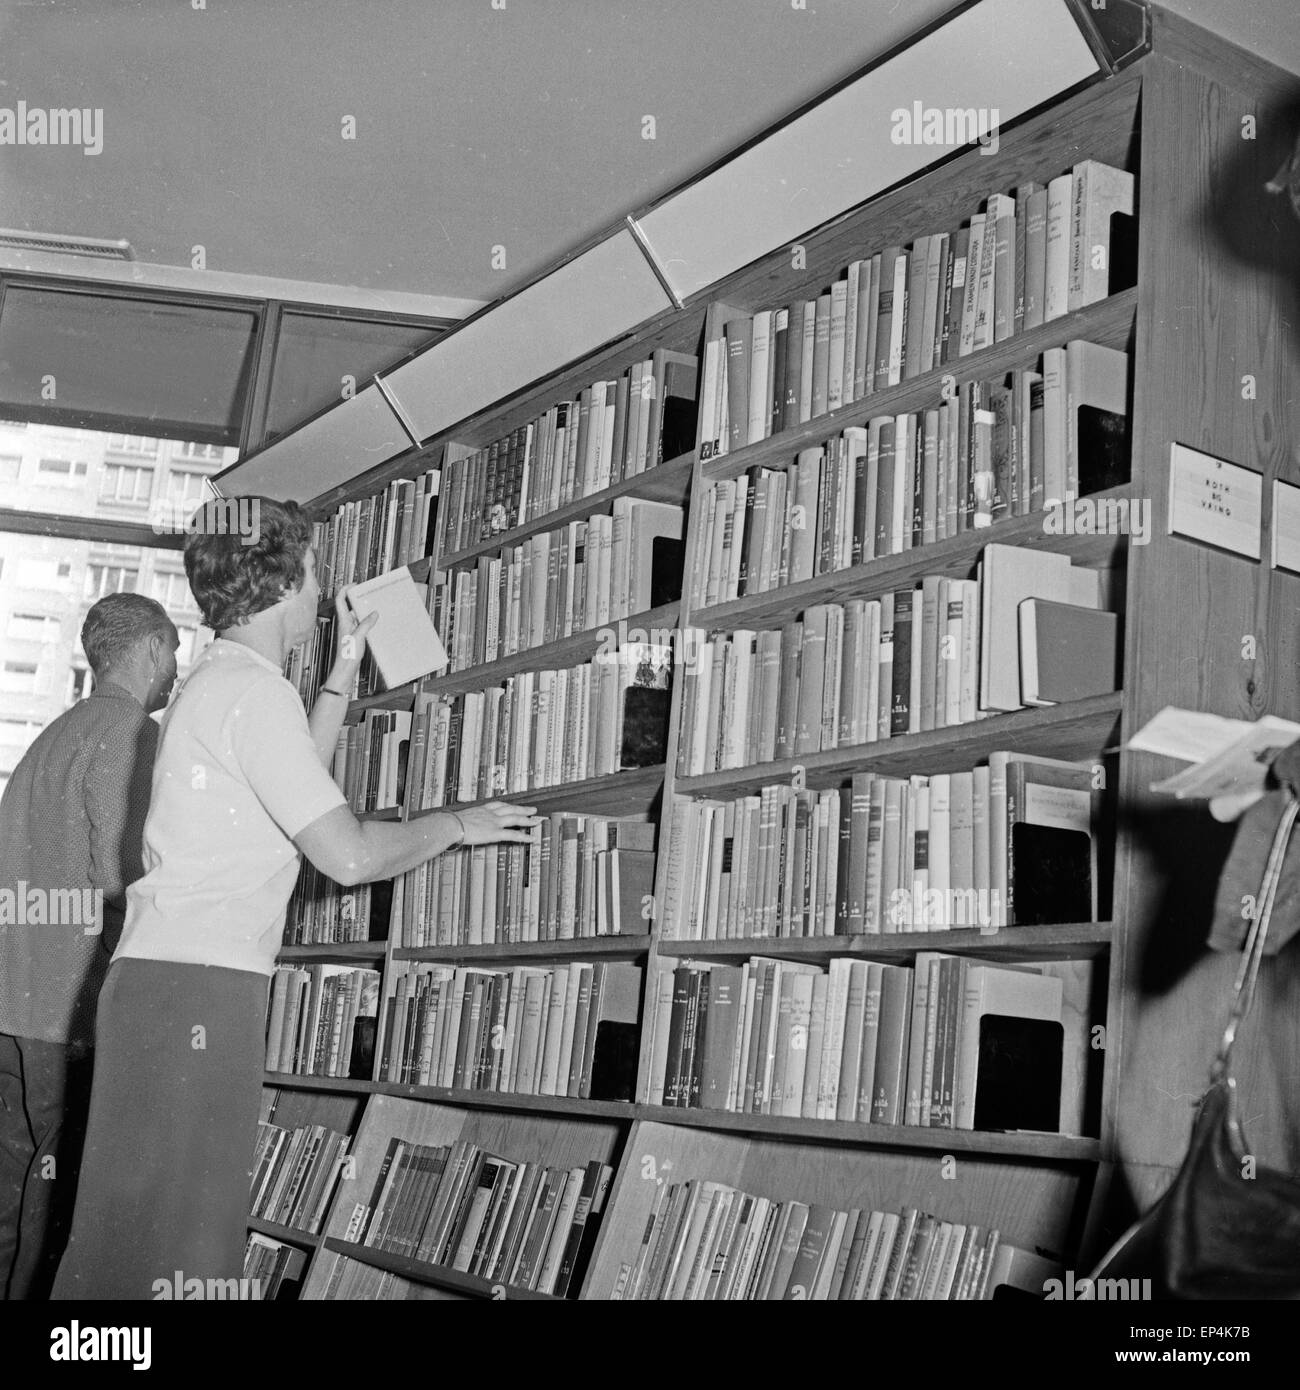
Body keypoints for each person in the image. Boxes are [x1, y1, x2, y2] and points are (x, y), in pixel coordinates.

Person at [50, 497, 538, 1300]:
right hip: (200, 988)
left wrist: (343, 672)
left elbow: (283, 793)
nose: (320, 587)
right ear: (280, 578)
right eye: (310, 568)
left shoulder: (220, 681)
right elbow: (344, 855)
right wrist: (457, 822)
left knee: (126, 1243)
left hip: (162, 984)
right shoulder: (252, 693)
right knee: (182, 1244)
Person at [0, 592, 178, 1300]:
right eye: (173, 650)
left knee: (10, 1191)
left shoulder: (49, 738)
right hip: (67, 1014)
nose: (177, 667)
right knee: (57, 1196)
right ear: (153, 649)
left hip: (10, 1004)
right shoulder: (132, 731)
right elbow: (117, 872)